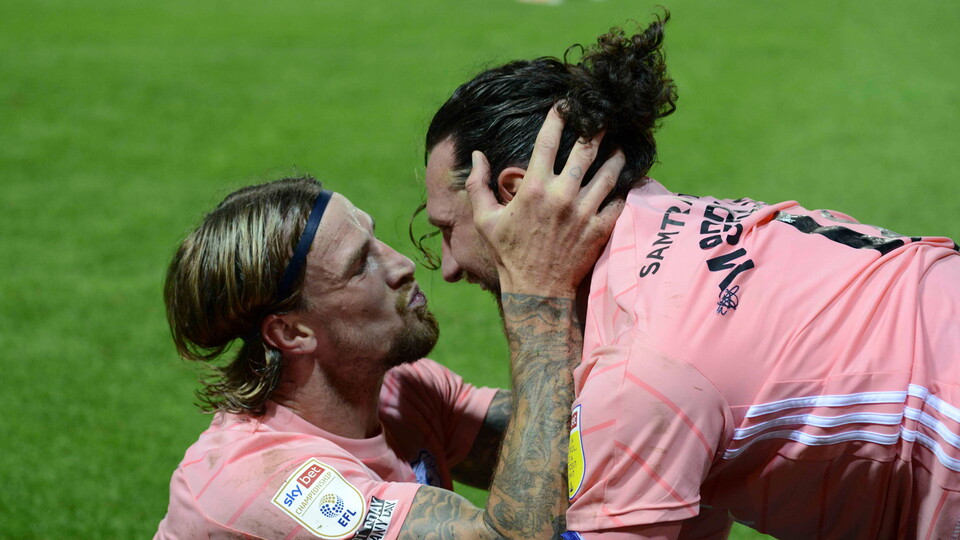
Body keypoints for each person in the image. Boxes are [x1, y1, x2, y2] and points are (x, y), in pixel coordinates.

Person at [419, 11, 960, 540]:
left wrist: (536, 303)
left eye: (447, 227)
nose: (445, 267)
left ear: (514, 194)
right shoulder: (662, 226)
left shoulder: (636, 373)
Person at [155, 121, 624, 539]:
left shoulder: (400, 389)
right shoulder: (275, 482)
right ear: (292, 332)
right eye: (360, 264)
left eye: (375, 238)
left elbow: (564, 441)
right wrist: (538, 293)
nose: (402, 264)